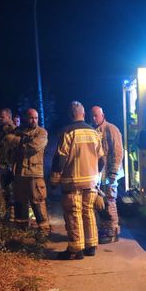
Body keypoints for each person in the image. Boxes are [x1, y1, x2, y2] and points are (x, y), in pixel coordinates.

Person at [50, 101, 104, 260]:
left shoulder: (67, 133)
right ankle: (91, 245)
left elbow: (59, 160)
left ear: (70, 114)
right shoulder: (94, 133)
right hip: (91, 183)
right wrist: (94, 175)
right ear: (84, 114)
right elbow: (101, 160)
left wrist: (54, 181)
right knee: (88, 212)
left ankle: (75, 249)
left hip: (72, 182)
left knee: (74, 214)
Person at [12, 108, 51, 235]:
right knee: (20, 202)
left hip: (35, 173)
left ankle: (44, 231)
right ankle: (22, 232)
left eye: (36, 118)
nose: (34, 120)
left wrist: (19, 144)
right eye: (31, 117)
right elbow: (9, 142)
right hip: (20, 173)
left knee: (38, 201)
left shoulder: (42, 132)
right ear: (26, 118)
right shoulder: (20, 132)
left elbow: (33, 147)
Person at [90, 105, 124, 243]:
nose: (93, 118)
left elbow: (118, 152)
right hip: (100, 174)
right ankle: (106, 230)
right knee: (101, 203)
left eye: (96, 116)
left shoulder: (111, 129)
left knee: (109, 200)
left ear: (102, 115)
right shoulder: (93, 130)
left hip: (109, 174)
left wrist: (113, 174)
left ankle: (113, 232)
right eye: (91, 116)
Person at [0, 108, 17, 220]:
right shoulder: (1, 131)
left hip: (9, 167)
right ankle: (9, 214)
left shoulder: (13, 131)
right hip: (3, 166)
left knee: (11, 192)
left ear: (9, 117)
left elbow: (15, 149)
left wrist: (12, 165)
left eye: (2, 117)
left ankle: (13, 217)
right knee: (6, 192)